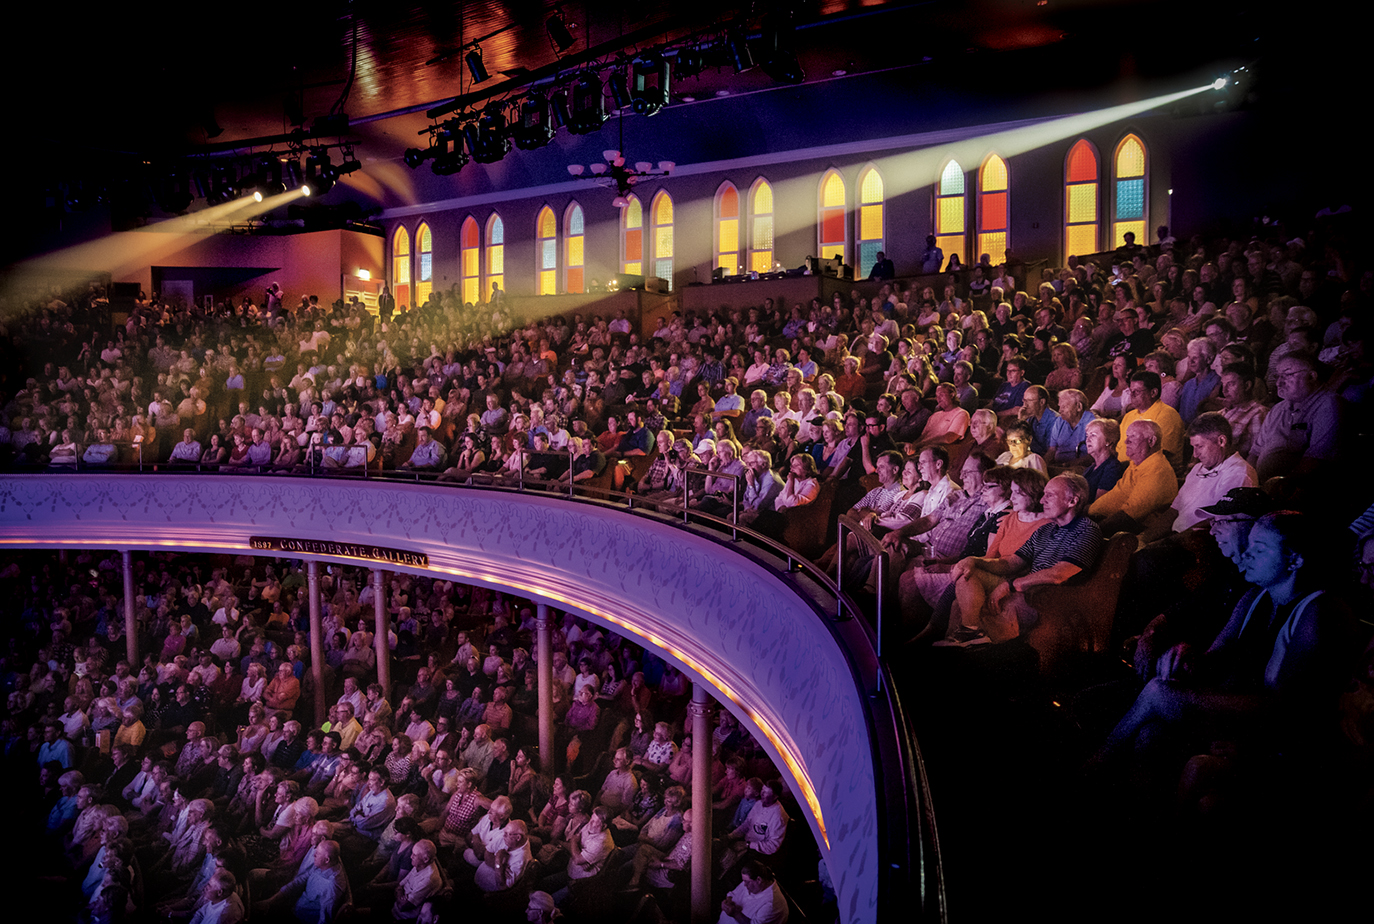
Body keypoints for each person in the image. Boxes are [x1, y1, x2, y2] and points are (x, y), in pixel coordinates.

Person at [944, 473, 1103, 645]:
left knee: (996, 605)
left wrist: (1011, 584)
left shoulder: (1087, 530)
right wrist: (974, 561)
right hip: (1028, 592)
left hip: (1051, 599)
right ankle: (969, 634)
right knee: (967, 574)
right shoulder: (1045, 530)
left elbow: (1059, 574)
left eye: (1049, 495)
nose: (1042, 501)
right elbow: (1010, 563)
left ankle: (974, 650)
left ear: (1072, 501)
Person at [1088, 419, 1179, 535]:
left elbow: (1128, 516)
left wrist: (1092, 532)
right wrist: (1088, 511)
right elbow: (1117, 494)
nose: (1126, 441)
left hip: (1132, 530)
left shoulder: (1157, 470)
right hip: (1105, 518)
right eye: (1127, 436)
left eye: (1133, 437)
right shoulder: (1136, 462)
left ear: (1151, 441)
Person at [718, 859, 789, 924]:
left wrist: (735, 913)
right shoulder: (750, 882)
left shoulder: (771, 904)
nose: (744, 885)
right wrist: (728, 902)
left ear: (759, 880)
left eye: (747, 882)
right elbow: (732, 894)